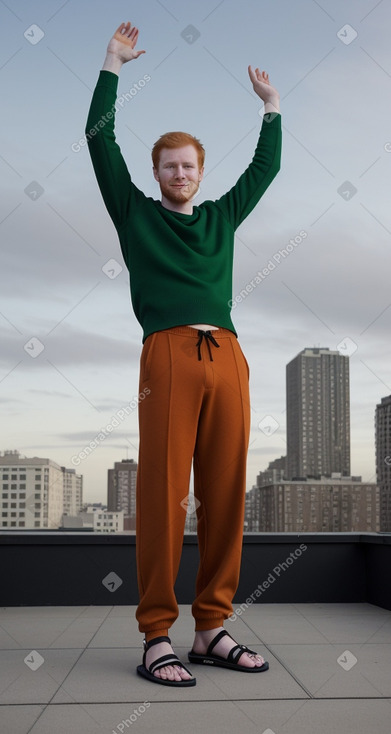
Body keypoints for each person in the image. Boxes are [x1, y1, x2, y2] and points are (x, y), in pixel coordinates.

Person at [86, 21, 281, 687]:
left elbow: (267, 168)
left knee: (226, 494)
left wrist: (271, 109)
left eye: (188, 165)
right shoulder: (135, 215)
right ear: (156, 173)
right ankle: (155, 637)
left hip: (227, 355)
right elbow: (97, 139)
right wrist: (112, 64)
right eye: (168, 165)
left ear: (200, 172)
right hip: (167, 354)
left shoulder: (221, 217)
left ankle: (210, 630)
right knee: (164, 495)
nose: (178, 173)